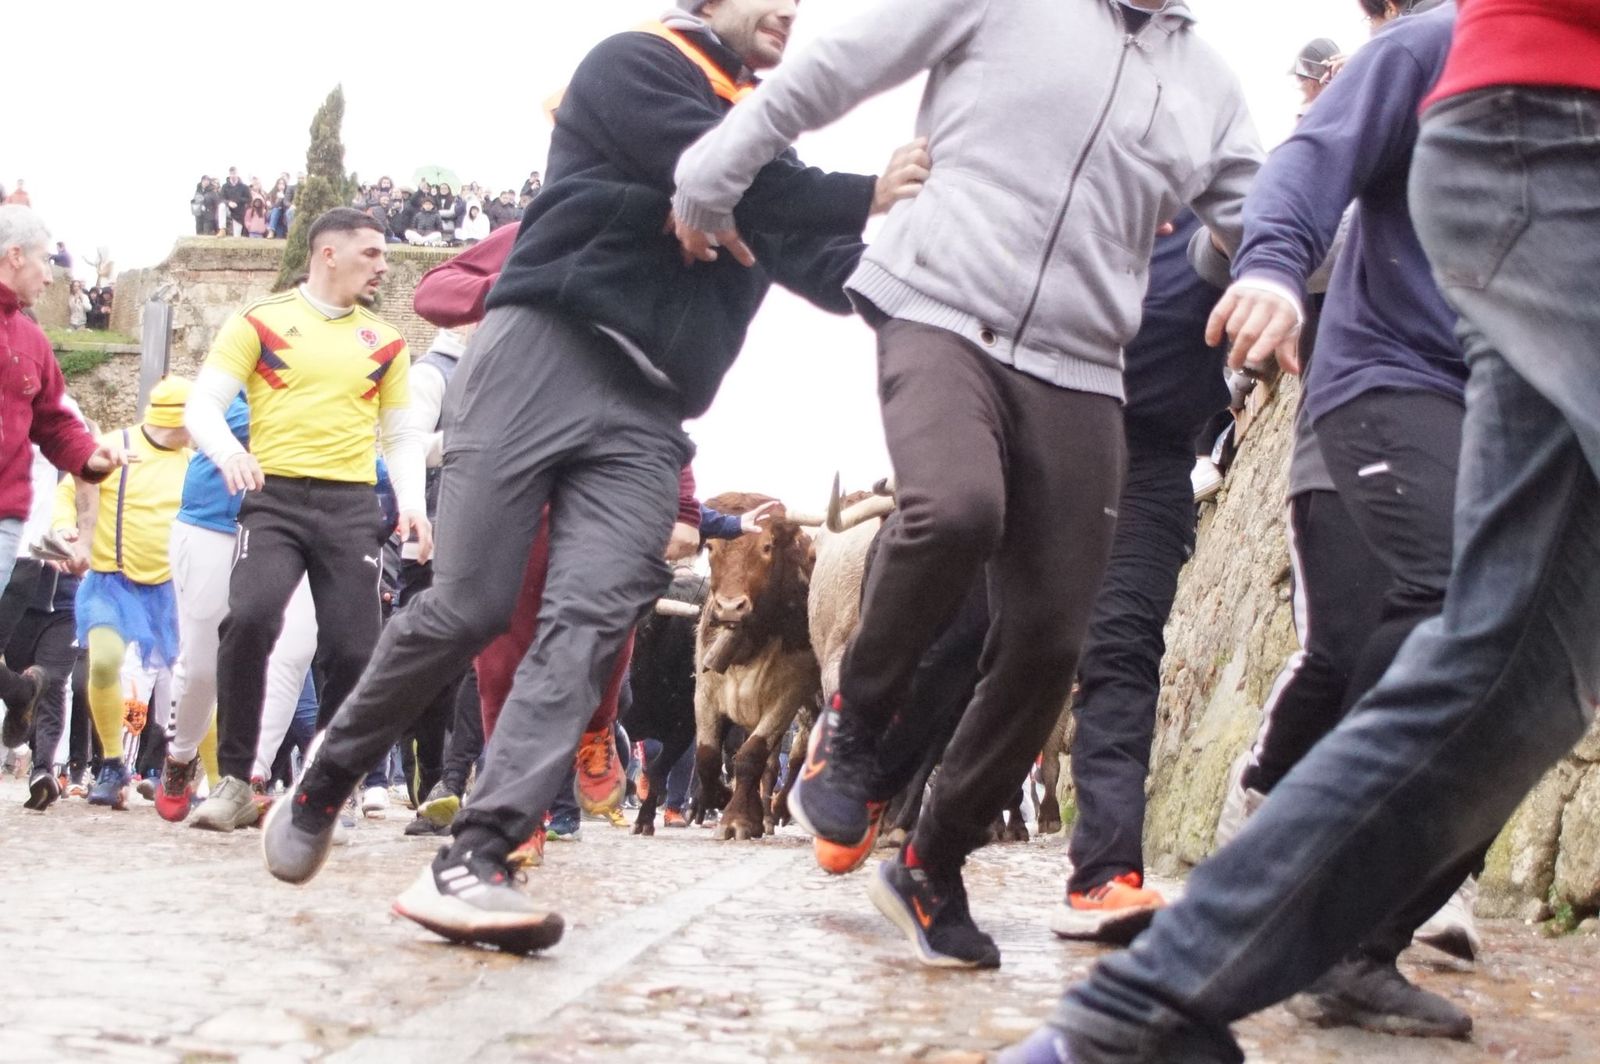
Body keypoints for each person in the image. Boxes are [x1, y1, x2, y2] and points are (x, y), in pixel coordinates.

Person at [1000, 2, 1600, 1060]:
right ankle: (1275, 804)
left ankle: (1311, 953)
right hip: (1385, 379)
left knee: (1530, 681)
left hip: (1495, 308)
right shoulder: (1426, 42)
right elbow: (1306, 160)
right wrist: (1270, 264)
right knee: (1424, 616)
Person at [263, 0, 921, 953]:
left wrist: (944, 244)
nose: (789, 8)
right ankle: (327, 779)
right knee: (470, 606)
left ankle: (479, 854)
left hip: (652, 414)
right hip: (543, 353)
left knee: (595, 616)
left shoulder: (767, 148)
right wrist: (828, 190)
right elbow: (724, 172)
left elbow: (831, 266)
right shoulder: (637, 63)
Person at [673, 0, 1258, 967]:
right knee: (956, 507)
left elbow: (1263, 216)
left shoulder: (1206, 82)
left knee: (1047, 640)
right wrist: (714, 170)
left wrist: (1285, 274)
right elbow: (837, 69)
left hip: (1081, 364)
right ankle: (853, 723)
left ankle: (931, 861)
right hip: (941, 307)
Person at [183, 207, 428, 831]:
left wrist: (413, 506)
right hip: (274, 498)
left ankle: (328, 783)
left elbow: (400, 436)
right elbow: (202, 407)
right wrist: (230, 453)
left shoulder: (387, 340)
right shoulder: (260, 321)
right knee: (250, 620)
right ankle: (237, 780)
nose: (383, 264)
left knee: (355, 650)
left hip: (351, 509)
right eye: (371, 252)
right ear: (328, 254)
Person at [158, 394, 319, 824]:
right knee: (204, 668)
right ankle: (180, 757)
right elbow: (212, 414)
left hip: (295, 522)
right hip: (216, 518)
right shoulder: (242, 366)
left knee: (293, 653)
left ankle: (252, 775)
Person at [53, 377, 193, 809]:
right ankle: (112, 764)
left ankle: (211, 776)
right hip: (111, 581)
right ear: (181, 421)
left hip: (173, 589)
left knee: (198, 680)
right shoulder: (116, 446)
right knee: (106, 661)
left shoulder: (196, 461)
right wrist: (65, 530)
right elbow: (69, 491)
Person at [0, 205, 129, 588]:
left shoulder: (31, 339)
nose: (50, 276)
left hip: (5, 518)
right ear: (15, 255)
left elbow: (54, 422)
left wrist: (90, 455)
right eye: (45, 260)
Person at [220, 168, 249, 236]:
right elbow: (221, 199)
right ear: (229, 174)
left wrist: (238, 200)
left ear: (237, 174)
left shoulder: (244, 187)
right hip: (228, 210)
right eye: (231, 174)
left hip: (239, 213)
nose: (233, 175)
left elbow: (249, 199)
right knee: (222, 206)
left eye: (235, 173)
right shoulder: (224, 186)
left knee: (237, 236)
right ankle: (222, 229)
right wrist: (229, 203)